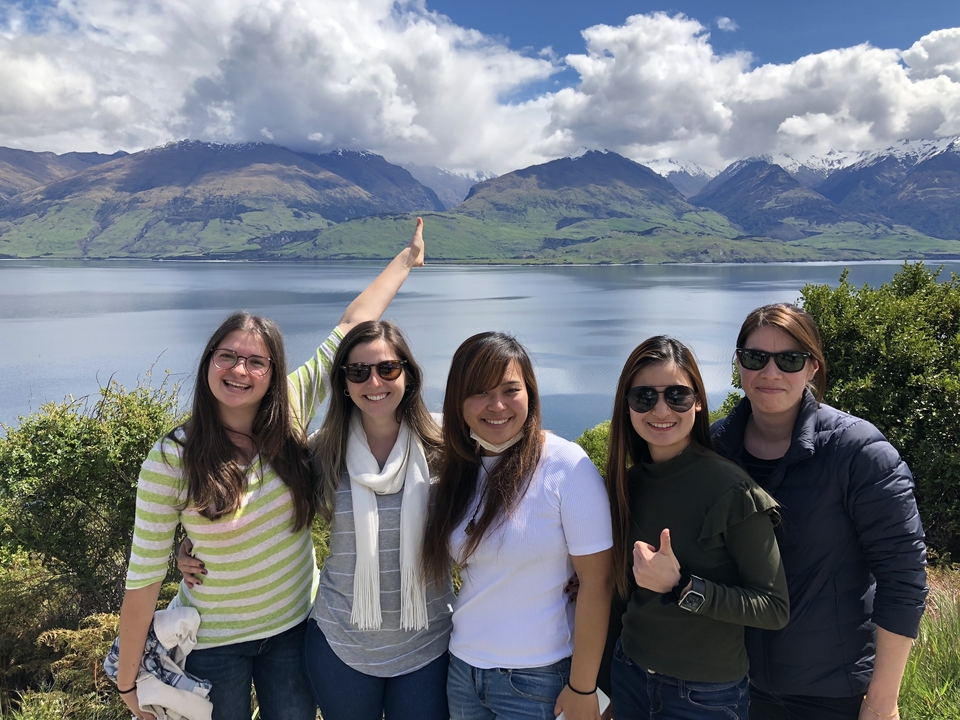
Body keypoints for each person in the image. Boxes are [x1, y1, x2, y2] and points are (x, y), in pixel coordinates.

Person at [115, 218, 427, 720]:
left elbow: (352, 324)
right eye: (228, 357)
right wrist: (128, 678)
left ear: (273, 372)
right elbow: (142, 581)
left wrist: (407, 259)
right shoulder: (171, 458)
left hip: (295, 627)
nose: (240, 370)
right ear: (208, 364)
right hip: (215, 642)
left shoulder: (291, 408)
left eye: (256, 362)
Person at [711, 304, 927, 720]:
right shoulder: (714, 448)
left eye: (789, 360)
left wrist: (882, 702)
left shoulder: (859, 453)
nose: (770, 373)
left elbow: (903, 578)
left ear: (812, 367)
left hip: (833, 693)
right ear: (738, 363)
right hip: (733, 686)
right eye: (756, 358)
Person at [422, 331, 614, 720]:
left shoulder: (565, 466)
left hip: (540, 677)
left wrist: (583, 686)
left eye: (510, 390)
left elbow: (598, 583)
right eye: (478, 392)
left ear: (531, 393)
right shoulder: (462, 466)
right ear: (458, 401)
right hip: (463, 671)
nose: (496, 406)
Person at [605, 335, 789, 720]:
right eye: (644, 397)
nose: (660, 409)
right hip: (630, 674)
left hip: (704, 694)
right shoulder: (628, 485)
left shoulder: (731, 489)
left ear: (698, 401)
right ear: (627, 406)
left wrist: (683, 586)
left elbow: (773, 608)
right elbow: (623, 594)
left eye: (677, 396)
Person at [302, 319, 454, 720]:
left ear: (408, 373)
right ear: (344, 382)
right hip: (341, 643)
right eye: (359, 371)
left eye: (387, 368)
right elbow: (263, 507)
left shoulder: (445, 444)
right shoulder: (322, 451)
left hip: (428, 644)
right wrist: (195, 541)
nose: (374, 382)